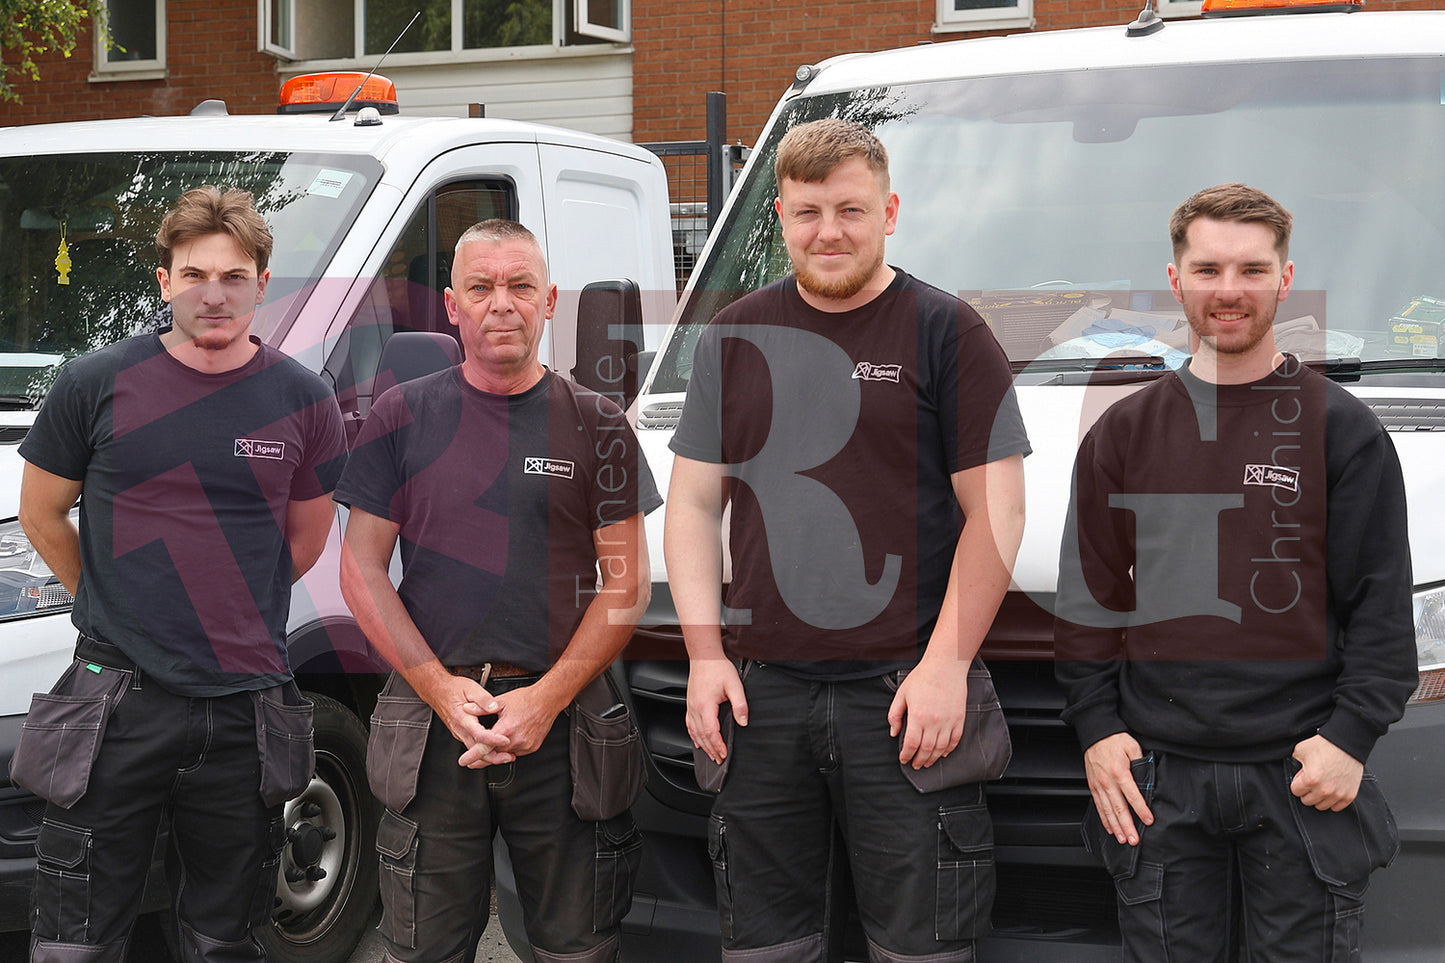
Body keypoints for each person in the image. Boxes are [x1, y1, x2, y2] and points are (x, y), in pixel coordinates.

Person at [665, 118, 1030, 962]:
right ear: (781, 218)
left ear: (888, 212)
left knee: (918, 947)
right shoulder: (733, 335)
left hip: (904, 695)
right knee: (766, 946)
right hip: (761, 696)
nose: (827, 231)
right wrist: (705, 656)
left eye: (850, 210)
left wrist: (945, 667)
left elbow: (999, 514)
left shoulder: (947, 332)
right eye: (807, 212)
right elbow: (690, 506)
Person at [1054, 183, 1418, 961]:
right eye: (1208, 269)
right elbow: (1090, 598)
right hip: (1159, 785)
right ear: (1175, 278)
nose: (1229, 289)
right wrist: (1097, 728)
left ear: (1284, 279)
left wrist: (1349, 738)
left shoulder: (1342, 430)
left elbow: (1380, 609)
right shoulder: (1123, 431)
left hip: (1301, 777)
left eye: (1251, 269)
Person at [14, 186, 347, 962]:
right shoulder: (94, 382)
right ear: (164, 281)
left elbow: (304, 540)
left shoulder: (302, 399)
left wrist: (229, 602)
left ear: (263, 284)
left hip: (244, 709)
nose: (214, 294)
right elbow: (40, 513)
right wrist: (106, 598)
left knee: (222, 940)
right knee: (75, 943)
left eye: (234, 276)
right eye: (194, 274)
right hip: (116, 702)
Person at [337, 218, 659, 963]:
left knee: (577, 949)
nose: (501, 303)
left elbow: (628, 584)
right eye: (480, 287)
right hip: (432, 729)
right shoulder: (402, 414)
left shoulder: (597, 424)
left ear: (549, 301)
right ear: (452, 306)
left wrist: (542, 701)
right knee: (424, 949)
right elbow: (360, 569)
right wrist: (441, 691)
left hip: (565, 730)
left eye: (520, 286)